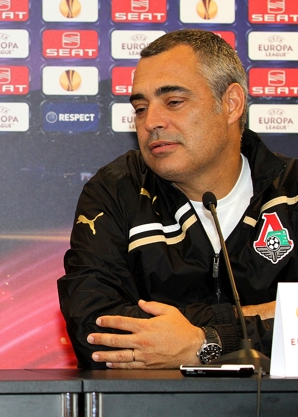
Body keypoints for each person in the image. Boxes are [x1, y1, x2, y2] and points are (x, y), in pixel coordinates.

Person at [58, 29, 298, 369]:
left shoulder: (291, 191)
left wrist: (203, 342)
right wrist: (268, 315)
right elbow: (94, 330)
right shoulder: (115, 191)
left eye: (173, 102)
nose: (151, 122)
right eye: (140, 108)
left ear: (231, 104)